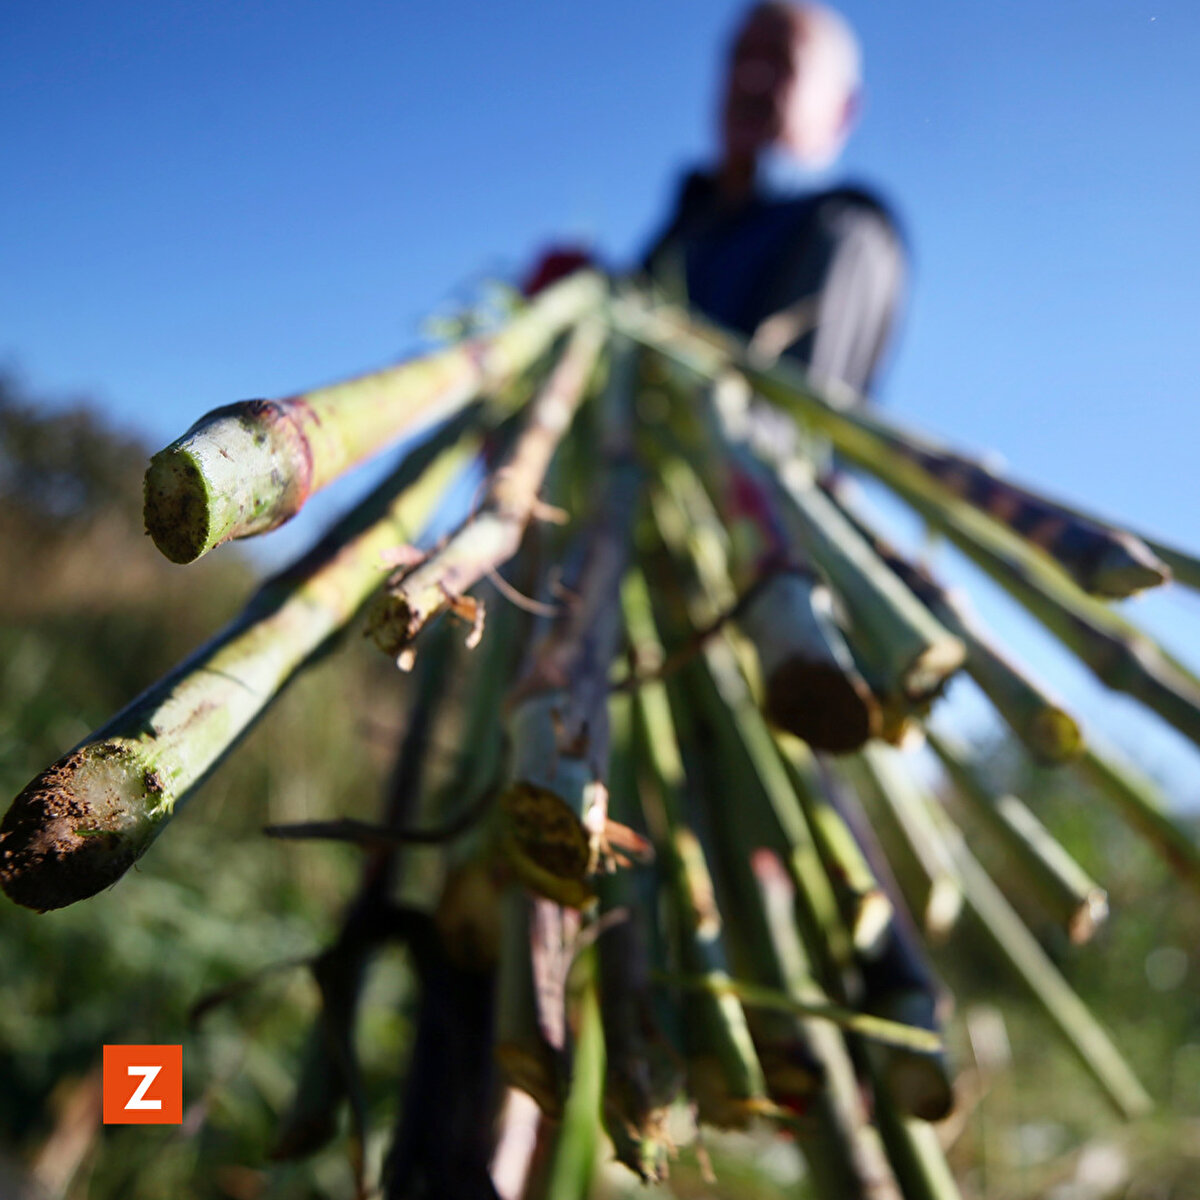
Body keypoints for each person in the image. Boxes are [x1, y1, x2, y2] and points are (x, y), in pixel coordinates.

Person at [640, 1, 905, 399]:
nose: (750, 78)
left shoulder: (844, 229)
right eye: (739, 57)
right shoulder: (679, 237)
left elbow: (793, 430)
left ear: (843, 110)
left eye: (782, 60)